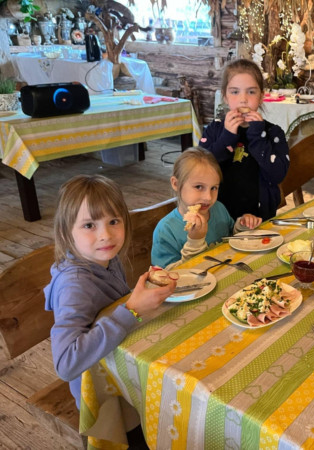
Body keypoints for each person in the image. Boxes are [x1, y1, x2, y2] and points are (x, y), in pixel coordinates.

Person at [44, 175, 175, 446]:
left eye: (114, 221)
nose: (106, 234)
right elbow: (66, 363)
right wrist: (131, 310)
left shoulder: (105, 259)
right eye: (89, 225)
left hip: (120, 375)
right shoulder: (75, 285)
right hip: (105, 402)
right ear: (66, 232)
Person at [200, 59, 289, 221]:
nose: (243, 99)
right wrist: (227, 137)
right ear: (225, 96)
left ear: (261, 96)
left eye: (251, 92)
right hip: (218, 215)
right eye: (235, 92)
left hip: (258, 216)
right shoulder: (215, 130)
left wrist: (257, 137)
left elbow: (278, 174)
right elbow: (201, 170)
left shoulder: (272, 133)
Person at [152, 147, 262, 269]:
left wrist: (242, 226)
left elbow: (231, 239)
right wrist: (195, 241)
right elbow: (167, 275)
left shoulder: (219, 209)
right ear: (176, 184)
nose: (208, 197)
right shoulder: (166, 230)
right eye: (199, 187)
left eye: (214, 188)